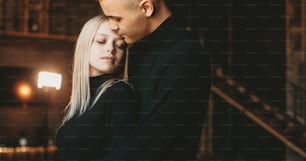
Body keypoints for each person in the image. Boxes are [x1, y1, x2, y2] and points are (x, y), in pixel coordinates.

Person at [98, 0, 211, 161]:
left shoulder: (186, 56)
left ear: (146, 8)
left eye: (117, 18)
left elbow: (150, 143)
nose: (112, 26)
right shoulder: (139, 49)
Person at [55, 15, 138, 161]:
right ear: (85, 45)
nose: (110, 49)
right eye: (101, 41)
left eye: (119, 45)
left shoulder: (119, 92)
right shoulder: (78, 100)